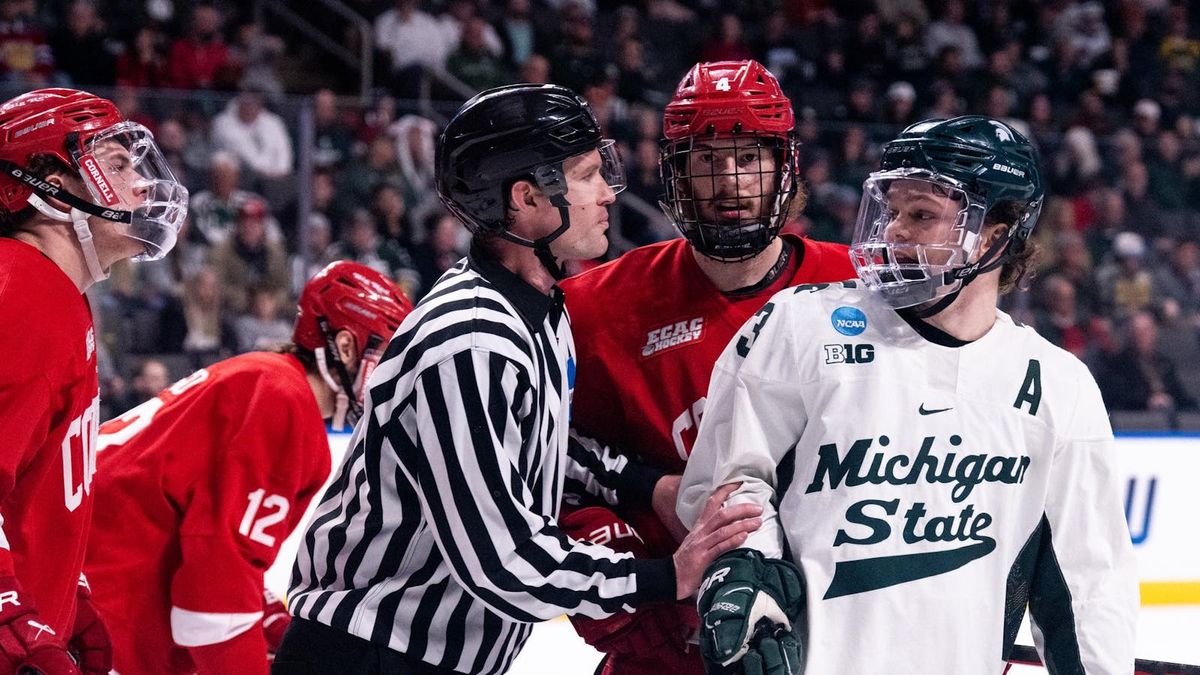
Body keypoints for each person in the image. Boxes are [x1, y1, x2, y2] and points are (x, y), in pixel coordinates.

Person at [276, 84, 761, 675]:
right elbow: (502, 560)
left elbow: (537, 441)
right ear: (527, 197)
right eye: (586, 176)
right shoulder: (471, 339)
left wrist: (641, 485)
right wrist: (668, 576)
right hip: (370, 658)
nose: (608, 192)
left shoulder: (537, 307)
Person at [679, 116, 1138, 674]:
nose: (894, 230)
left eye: (922, 215)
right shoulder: (802, 325)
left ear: (995, 235)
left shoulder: (1057, 384)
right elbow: (727, 481)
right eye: (890, 210)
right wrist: (747, 571)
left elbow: (1089, 586)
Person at [558, 59, 854, 675]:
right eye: (706, 161)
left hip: (836, 644)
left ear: (783, 167)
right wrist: (646, 498)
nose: (729, 182)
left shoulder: (863, 291)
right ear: (675, 176)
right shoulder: (595, 307)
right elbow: (538, 452)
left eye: (748, 159)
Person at [84, 261, 413, 675]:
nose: (397, 380)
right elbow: (211, 594)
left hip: (90, 582)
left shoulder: (268, 379)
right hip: (99, 603)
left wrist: (268, 616)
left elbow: (213, 540)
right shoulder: (282, 402)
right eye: (386, 358)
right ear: (346, 346)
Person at [0, 87, 188, 675]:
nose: (141, 184)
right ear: (45, 184)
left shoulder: (58, 296)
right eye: (115, 164)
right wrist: (10, 618)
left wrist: (66, 595)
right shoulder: (20, 295)